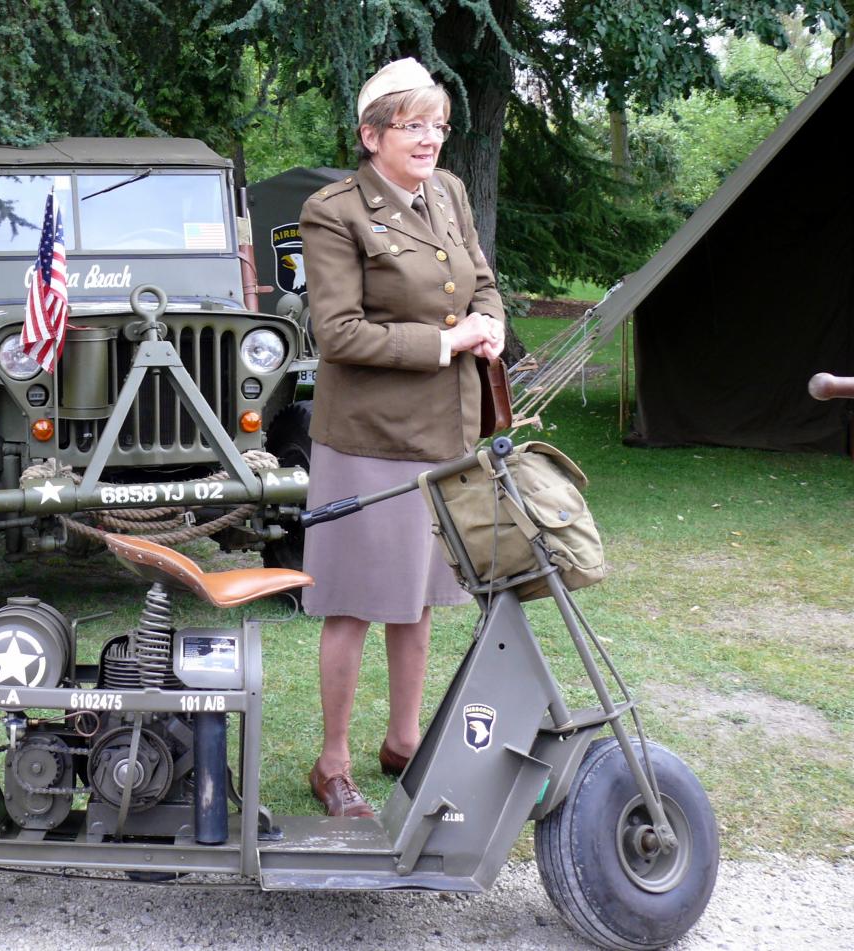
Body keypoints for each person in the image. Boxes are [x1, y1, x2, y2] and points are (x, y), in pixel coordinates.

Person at [299, 58, 505, 818]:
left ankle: (404, 741)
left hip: (441, 430)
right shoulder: (334, 212)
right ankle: (333, 762)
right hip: (368, 438)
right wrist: (448, 343)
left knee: (416, 598)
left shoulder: (446, 192)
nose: (430, 139)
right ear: (372, 134)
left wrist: (492, 324)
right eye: (413, 125)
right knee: (354, 600)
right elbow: (340, 332)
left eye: (439, 125)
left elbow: (479, 279)